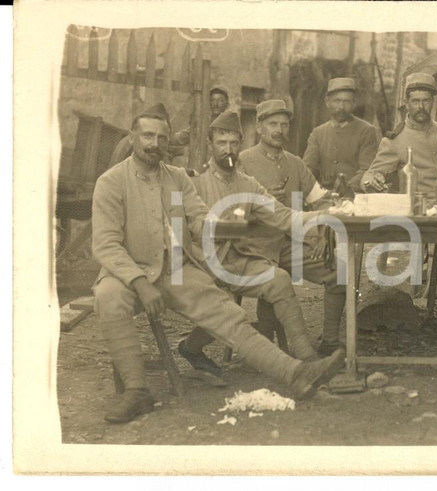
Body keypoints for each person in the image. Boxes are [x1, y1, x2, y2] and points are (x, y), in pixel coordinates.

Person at [92, 103, 345, 424]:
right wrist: (139, 282)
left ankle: (296, 372)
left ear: (168, 141)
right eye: (147, 136)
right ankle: (137, 390)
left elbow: (200, 220)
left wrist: (228, 225)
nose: (154, 144)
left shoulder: (178, 179)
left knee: (230, 315)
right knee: (108, 297)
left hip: (174, 269)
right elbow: (106, 244)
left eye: (161, 137)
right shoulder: (111, 182)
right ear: (133, 137)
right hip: (126, 271)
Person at [180, 110, 353, 370]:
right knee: (222, 302)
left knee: (280, 280)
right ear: (210, 145)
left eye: (234, 143)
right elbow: (185, 229)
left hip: (240, 259)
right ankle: (190, 348)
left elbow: (284, 217)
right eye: (221, 143)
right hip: (203, 263)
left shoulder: (249, 184)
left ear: (240, 143)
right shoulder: (193, 183)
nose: (228, 150)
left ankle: (307, 358)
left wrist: (325, 215)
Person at [238, 100, 347, 357]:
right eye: (273, 124)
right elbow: (228, 212)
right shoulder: (243, 161)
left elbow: (322, 199)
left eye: (284, 125)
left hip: (290, 245)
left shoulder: (295, 163)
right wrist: (254, 206)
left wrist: (324, 233)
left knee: (339, 271)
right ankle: (270, 344)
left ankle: (330, 341)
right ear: (259, 127)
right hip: (254, 247)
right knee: (274, 285)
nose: (279, 130)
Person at [360, 72, 437, 195]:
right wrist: (370, 180)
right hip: (415, 206)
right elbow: (372, 174)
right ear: (406, 103)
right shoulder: (393, 140)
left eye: (426, 101)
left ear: (433, 102)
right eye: (415, 101)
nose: (421, 107)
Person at [109, 85, 230, 167]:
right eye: (213, 100)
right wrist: (169, 139)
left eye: (220, 100)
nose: (216, 104)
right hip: (198, 165)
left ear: (226, 103)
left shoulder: (230, 123)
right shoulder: (204, 122)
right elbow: (186, 135)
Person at [302, 78, 379, 193]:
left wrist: (346, 189)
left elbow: (366, 169)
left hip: (355, 195)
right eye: (337, 101)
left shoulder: (367, 131)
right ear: (327, 102)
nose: (341, 107)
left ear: (354, 103)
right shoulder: (318, 133)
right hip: (323, 196)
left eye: (347, 102)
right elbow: (308, 168)